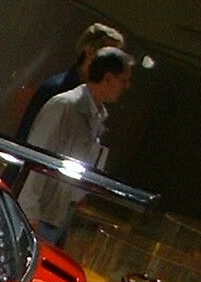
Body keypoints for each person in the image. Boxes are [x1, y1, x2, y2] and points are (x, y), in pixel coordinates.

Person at [17, 47, 134, 246]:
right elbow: (36, 160)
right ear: (107, 78)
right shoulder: (65, 106)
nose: (126, 86)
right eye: (123, 80)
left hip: (58, 213)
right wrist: (29, 213)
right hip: (40, 213)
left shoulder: (96, 114)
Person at [15, 22, 125, 143]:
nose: (114, 68)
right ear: (90, 51)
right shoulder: (55, 90)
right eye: (110, 58)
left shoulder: (95, 101)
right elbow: (28, 141)